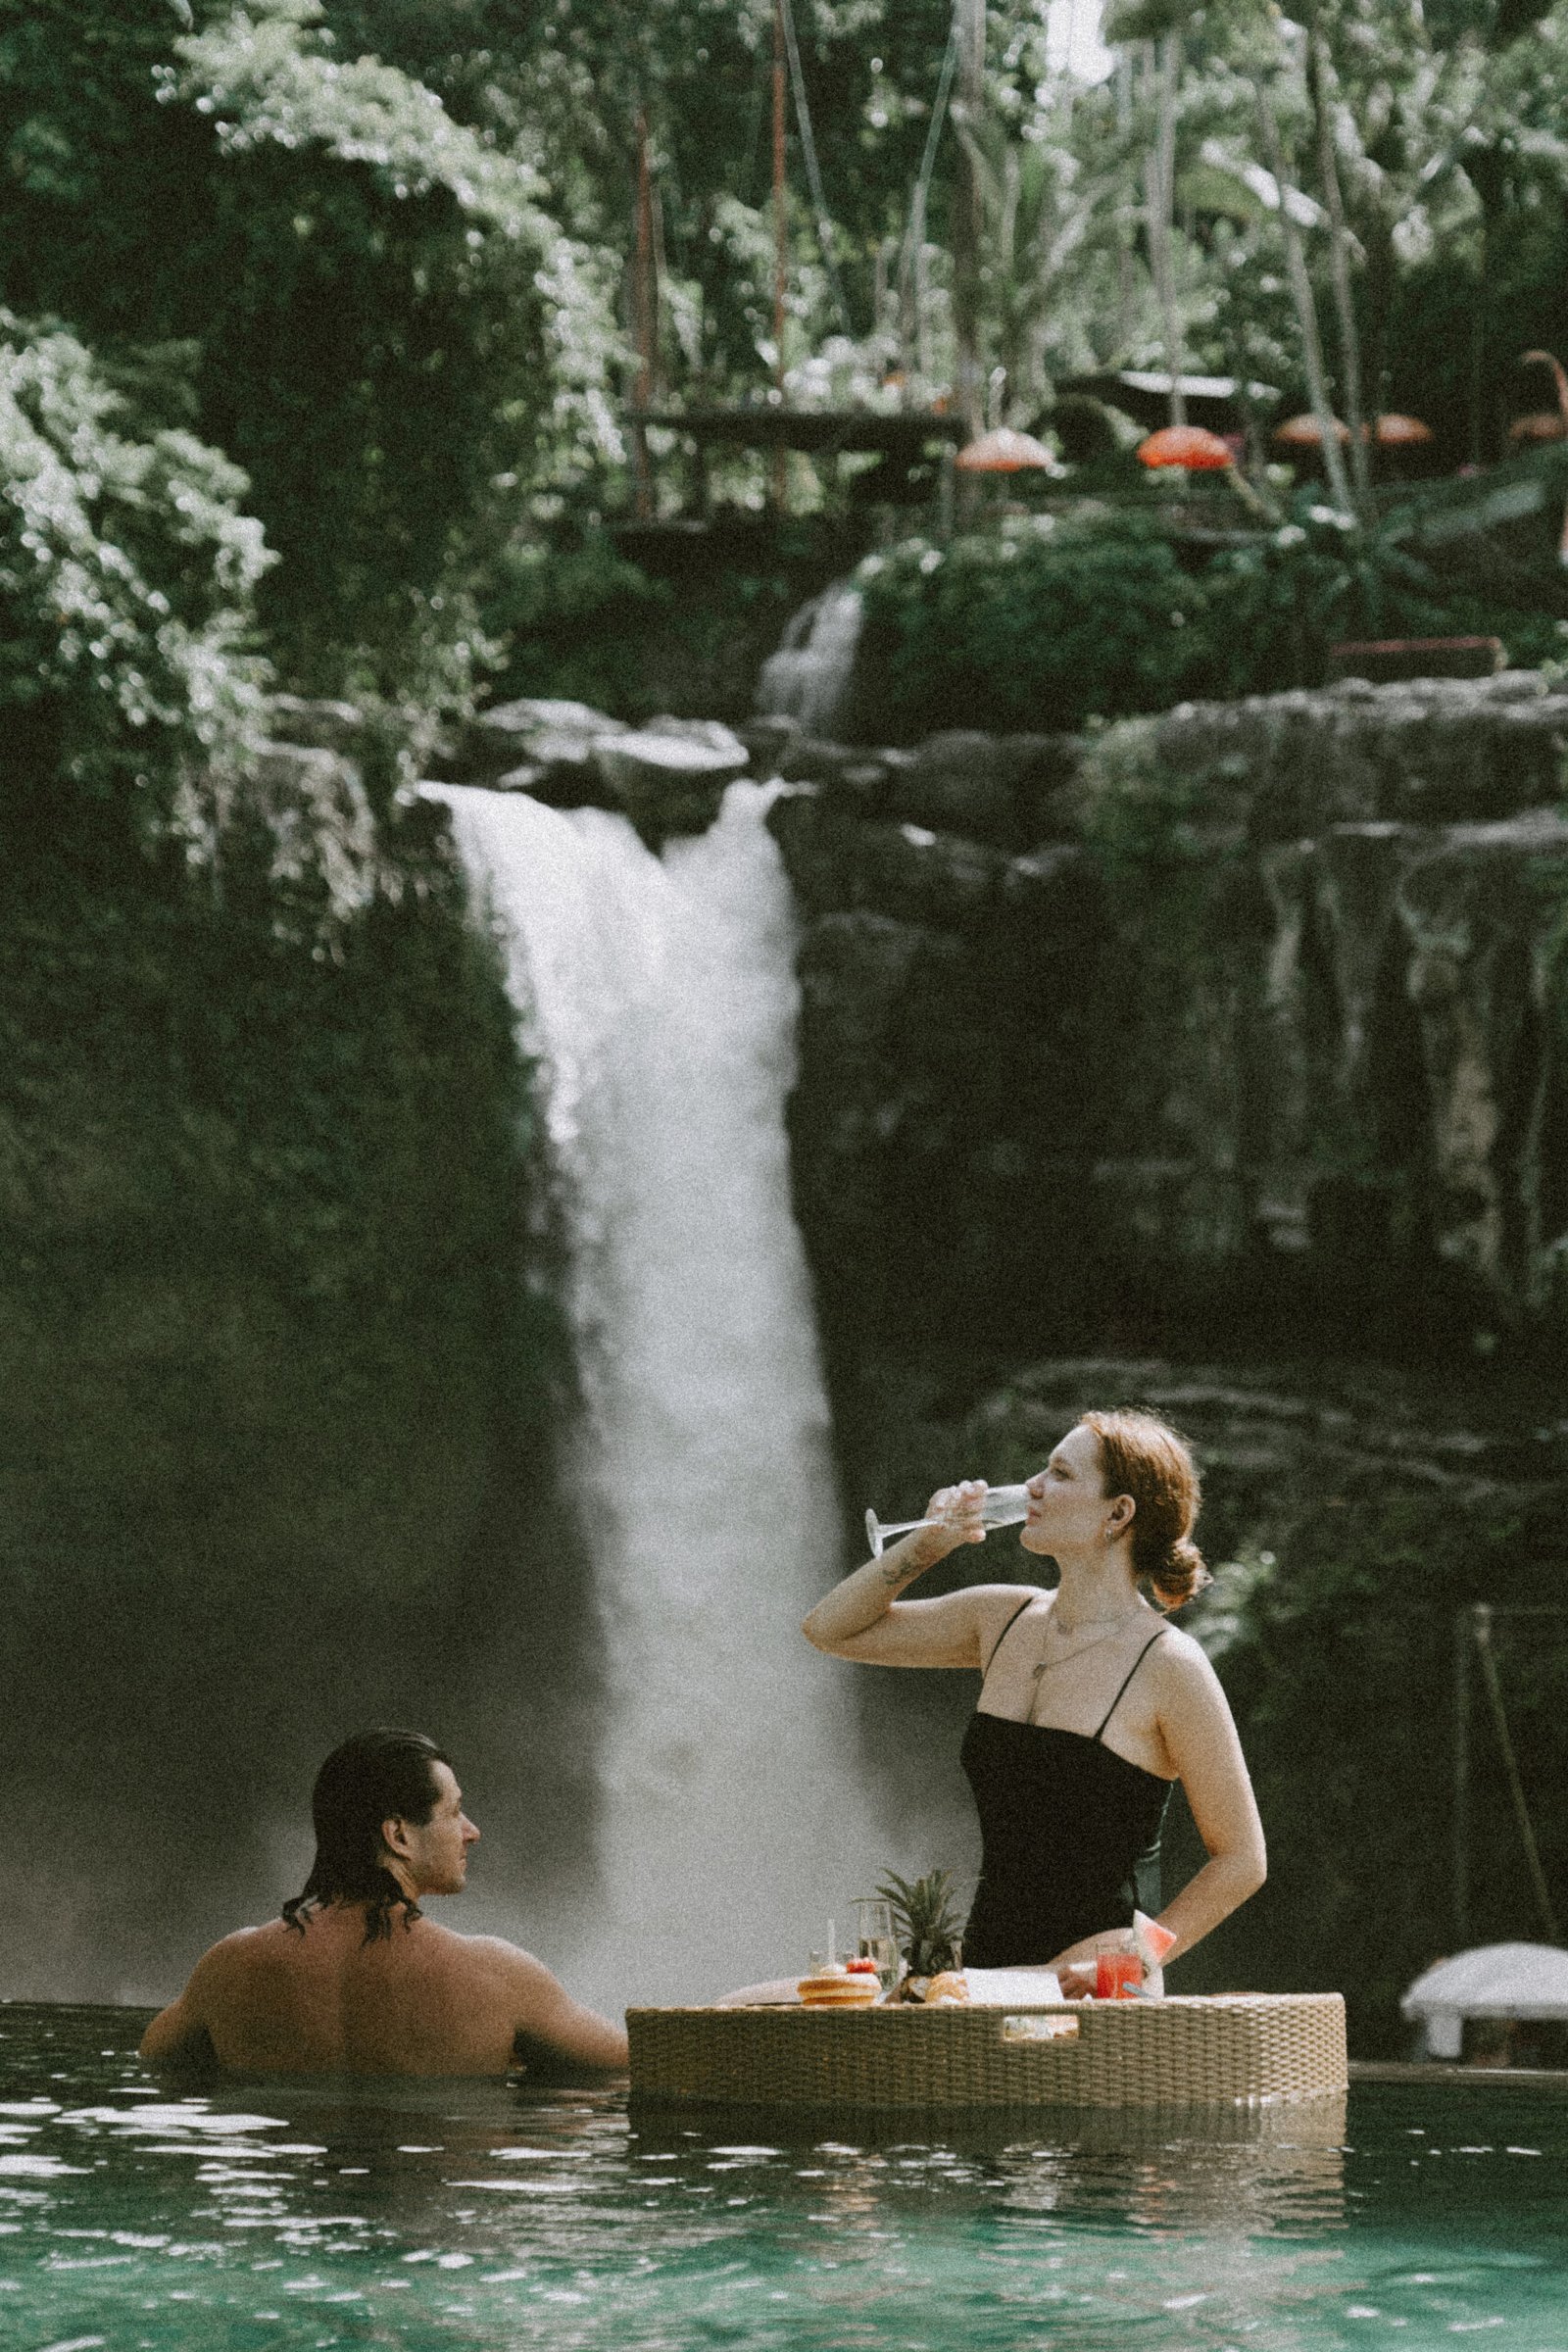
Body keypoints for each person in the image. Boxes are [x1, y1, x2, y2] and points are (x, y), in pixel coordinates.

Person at [802, 1410, 1265, 1994]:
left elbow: (1242, 1859)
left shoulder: (1170, 1665)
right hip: (985, 1969)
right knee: (753, 2011)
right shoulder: (1001, 1618)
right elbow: (829, 1629)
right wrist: (932, 1540)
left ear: (1119, 1513)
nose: (1031, 1489)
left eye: (1060, 1474)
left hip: (1092, 1980)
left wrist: (1134, 1961)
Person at [140, 1729, 628, 2076]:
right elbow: (638, 2069)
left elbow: (153, 2069)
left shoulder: (230, 1969)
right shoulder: (496, 1977)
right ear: (398, 1835)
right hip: (433, 2206)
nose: (472, 1832)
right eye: (454, 1812)